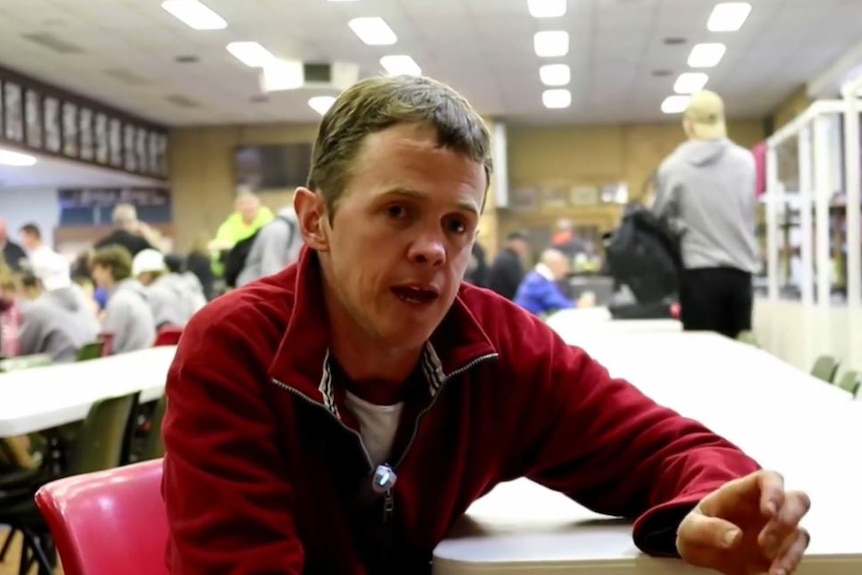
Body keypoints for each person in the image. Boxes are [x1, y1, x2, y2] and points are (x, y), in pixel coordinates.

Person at [162, 76, 810, 575]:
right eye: (397, 211)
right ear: (315, 221)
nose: (432, 250)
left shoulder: (495, 347)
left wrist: (714, 505)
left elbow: (674, 449)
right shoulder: (235, 350)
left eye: (456, 224)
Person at [653, 90, 760, 339]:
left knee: (702, 358)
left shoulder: (673, 167)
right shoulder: (746, 161)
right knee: (739, 356)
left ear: (688, 124)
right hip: (740, 274)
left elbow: (660, 219)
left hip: (699, 275)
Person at [487, 230, 529, 300]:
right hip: (504, 300)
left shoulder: (506, 257)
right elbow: (517, 284)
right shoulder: (508, 260)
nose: (524, 247)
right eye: (521, 243)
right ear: (512, 243)